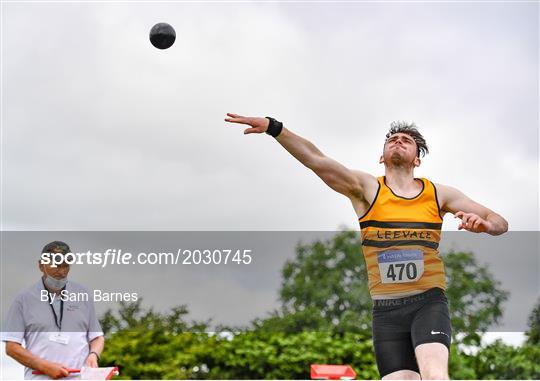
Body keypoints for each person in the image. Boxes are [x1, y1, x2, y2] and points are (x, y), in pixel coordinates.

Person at [224, 114, 508, 380]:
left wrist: (484, 226)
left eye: (407, 141)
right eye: (392, 139)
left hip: (428, 301)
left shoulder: (439, 194)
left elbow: (499, 222)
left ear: (417, 160)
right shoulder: (366, 189)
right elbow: (315, 159)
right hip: (385, 311)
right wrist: (275, 127)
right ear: (381, 156)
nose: (398, 141)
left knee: (434, 375)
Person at [2, 241, 105, 380]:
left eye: (66, 266)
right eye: (56, 266)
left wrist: (94, 355)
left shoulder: (83, 295)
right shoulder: (23, 300)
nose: (62, 272)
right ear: (41, 265)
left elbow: (97, 337)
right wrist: (43, 366)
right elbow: (12, 347)